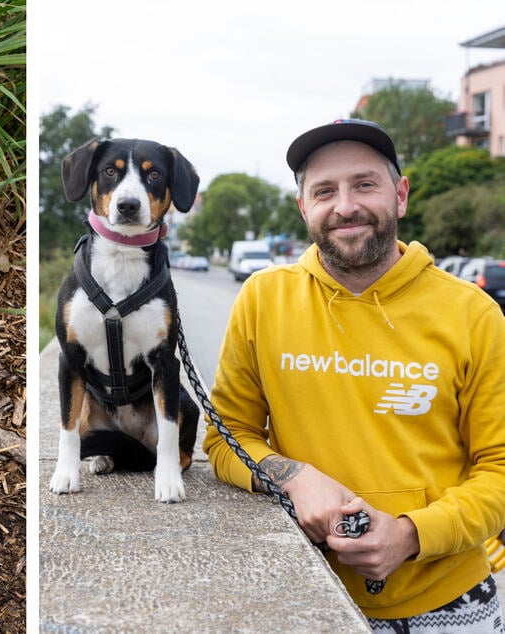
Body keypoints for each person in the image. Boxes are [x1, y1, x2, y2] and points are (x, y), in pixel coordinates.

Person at [203, 118, 505, 631]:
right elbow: (225, 439)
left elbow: (499, 469)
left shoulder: (473, 314)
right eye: (325, 191)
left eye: (365, 184)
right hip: (300, 595)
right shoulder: (262, 299)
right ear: (304, 209)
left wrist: (411, 534)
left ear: (400, 195)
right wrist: (296, 478)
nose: (345, 206)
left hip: (451, 603)